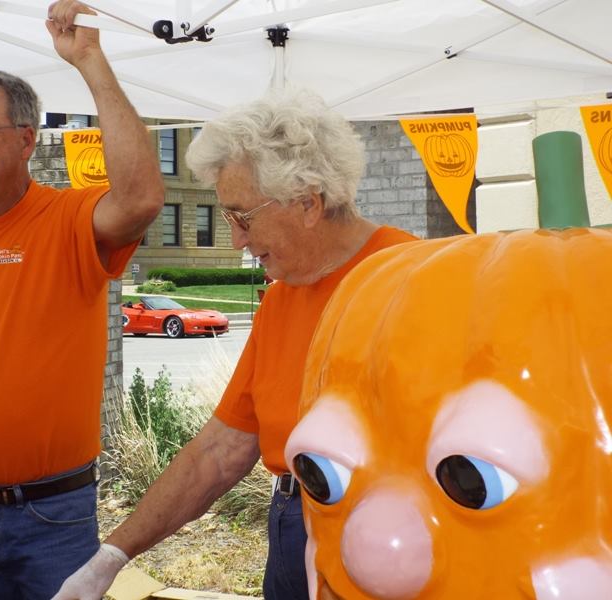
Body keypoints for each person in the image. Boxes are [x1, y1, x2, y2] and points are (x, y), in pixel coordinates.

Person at [52, 89, 418, 600]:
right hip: (293, 526)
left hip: (389, 535)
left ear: (308, 203)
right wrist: (111, 556)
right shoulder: (282, 298)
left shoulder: (417, 281)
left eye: (242, 216)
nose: (238, 241)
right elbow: (221, 450)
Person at [0, 1, 164, 598]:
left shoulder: (66, 219)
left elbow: (142, 199)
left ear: (26, 140)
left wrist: (89, 60)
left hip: (50, 515)